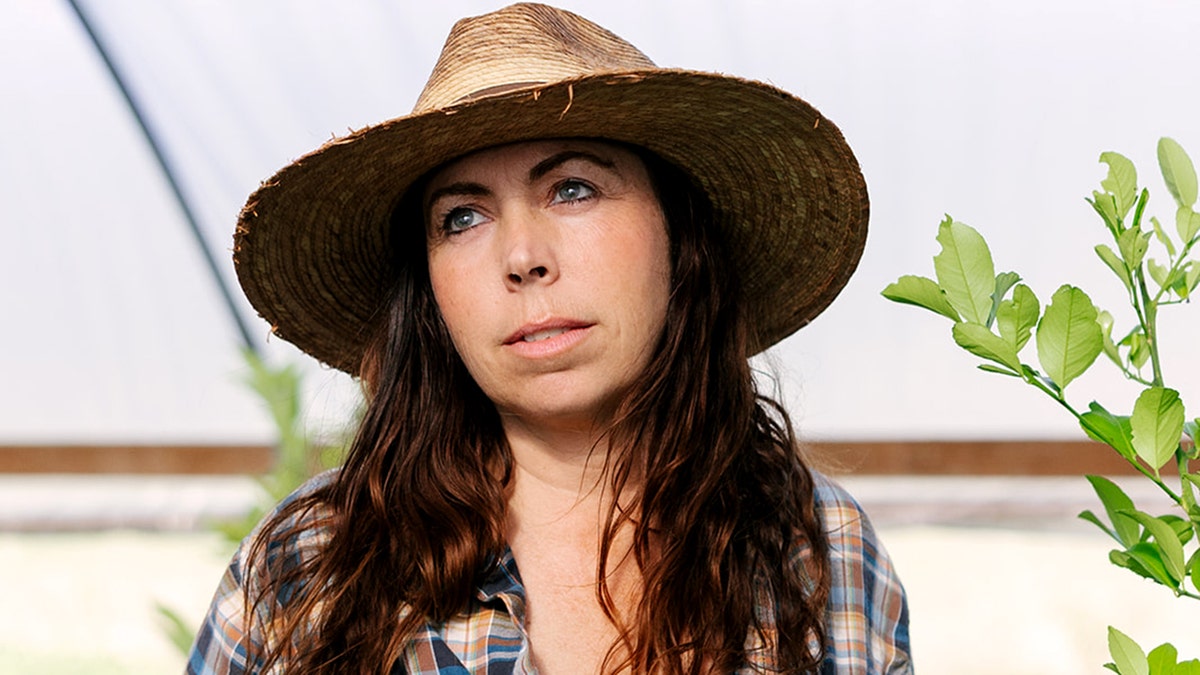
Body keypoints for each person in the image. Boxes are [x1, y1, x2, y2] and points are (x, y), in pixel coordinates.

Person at [187, 3, 911, 674]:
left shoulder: (818, 549)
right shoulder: (309, 565)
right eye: (463, 218)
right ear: (429, 293)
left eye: (572, 188)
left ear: (679, 239)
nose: (521, 255)